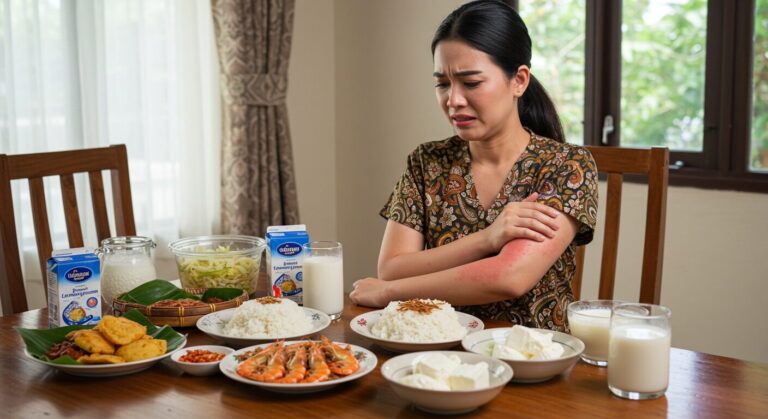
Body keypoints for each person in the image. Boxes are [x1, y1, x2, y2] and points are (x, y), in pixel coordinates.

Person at [349, 0, 598, 332]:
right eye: (442, 83)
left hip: (531, 361)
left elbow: (509, 277)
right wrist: (488, 238)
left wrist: (389, 294)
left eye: (471, 82)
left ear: (519, 80)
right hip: (438, 349)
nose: (453, 100)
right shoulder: (426, 162)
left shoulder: (566, 167)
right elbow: (392, 267)